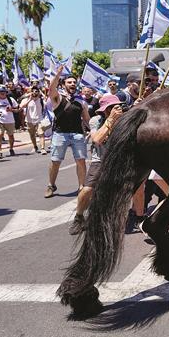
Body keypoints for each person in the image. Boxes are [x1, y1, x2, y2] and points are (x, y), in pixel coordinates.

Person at [69, 94, 124, 235]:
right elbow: (97, 139)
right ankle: (79, 217)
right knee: (87, 189)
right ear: (104, 110)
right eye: (111, 108)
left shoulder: (124, 120)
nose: (115, 110)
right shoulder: (96, 121)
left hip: (118, 161)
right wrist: (111, 120)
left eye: (117, 107)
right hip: (100, 159)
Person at [45, 67, 90, 198]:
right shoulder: (57, 98)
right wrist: (58, 74)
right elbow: (51, 89)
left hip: (77, 134)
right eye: (69, 82)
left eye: (74, 82)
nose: (72, 84)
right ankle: (50, 185)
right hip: (60, 134)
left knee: (81, 161)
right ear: (63, 85)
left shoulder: (80, 100)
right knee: (55, 161)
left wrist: (93, 130)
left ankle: (81, 186)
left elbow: (86, 119)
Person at [0, 85, 18, 159]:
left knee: (11, 136)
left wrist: (11, 110)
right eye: (0, 92)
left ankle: (11, 148)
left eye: (3, 92)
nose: (2, 93)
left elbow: (18, 109)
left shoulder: (11, 100)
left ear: (6, 93)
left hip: (10, 121)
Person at [20, 85, 47, 154]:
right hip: (29, 120)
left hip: (39, 120)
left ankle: (43, 148)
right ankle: (35, 146)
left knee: (41, 134)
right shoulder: (26, 100)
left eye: (36, 91)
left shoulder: (41, 100)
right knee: (32, 135)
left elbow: (47, 105)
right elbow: (21, 106)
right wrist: (29, 99)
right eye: (33, 91)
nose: (34, 93)